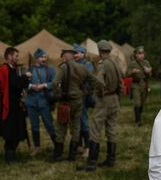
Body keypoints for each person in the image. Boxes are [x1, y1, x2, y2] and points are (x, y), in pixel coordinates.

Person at [78, 40, 123, 171]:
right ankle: (111, 159)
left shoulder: (103, 64)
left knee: (95, 130)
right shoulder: (115, 62)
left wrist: (99, 94)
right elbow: (121, 82)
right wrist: (117, 96)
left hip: (105, 99)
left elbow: (98, 81)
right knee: (111, 129)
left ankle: (91, 162)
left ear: (99, 51)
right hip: (114, 98)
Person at [51, 49, 102, 162]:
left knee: (61, 126)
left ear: (64, 57)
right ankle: (72, 154)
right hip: (79, 100)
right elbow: (94, 80)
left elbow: (55, 83)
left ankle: (57, 154)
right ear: (73, 57)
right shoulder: (82, 67)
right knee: (76, 126)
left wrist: (58, 95)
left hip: (66, 101)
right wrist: (88, 91)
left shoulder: (63, 67)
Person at [0, 47, 32, 164]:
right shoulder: (4, 70)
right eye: (16, 56)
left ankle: (12, 156)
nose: (18, 58)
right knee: (12, 133)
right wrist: (25, 76)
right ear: (9, 57)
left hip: (15, 105)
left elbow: (18, 84)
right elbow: (14, 84)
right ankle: (9, 158)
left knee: (16, 132)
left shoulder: (12, 69)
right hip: (10, 107)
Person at [25, 48, 56, 156]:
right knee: (34, 125)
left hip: (44, 101)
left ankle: (57, 146)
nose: (44, 59)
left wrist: (44, 85)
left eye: (45, 56)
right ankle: (37, 147)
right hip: (32, 101)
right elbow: (24, 83)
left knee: (49, 124)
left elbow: (54, 82)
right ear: (36, 58)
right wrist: (31, 86)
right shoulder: (29, 69)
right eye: (42, 57)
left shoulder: (50, 69)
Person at [73, 43, 95, 158]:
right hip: (75, 96)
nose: (75, 55)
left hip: (84, 96)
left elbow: (88, 78)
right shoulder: (73, 64)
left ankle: (88, 147)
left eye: (77, 53)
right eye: (74, 53)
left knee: (84, 121)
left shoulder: (88, 64)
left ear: (83, 54)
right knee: (77, 121)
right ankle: (79, 146)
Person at [126, 46, 152, 126]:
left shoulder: (146, 63)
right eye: (139, 54)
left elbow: (150, 75)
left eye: (142, 54)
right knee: (137, 103)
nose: (141, 55)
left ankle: (139, 115)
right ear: (136, 55)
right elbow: (126, 74)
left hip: (144, 84)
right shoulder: (132, 64)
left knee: (142, 103)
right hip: (135, 84)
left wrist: (148, 72)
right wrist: (132, 72)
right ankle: (138, 121)